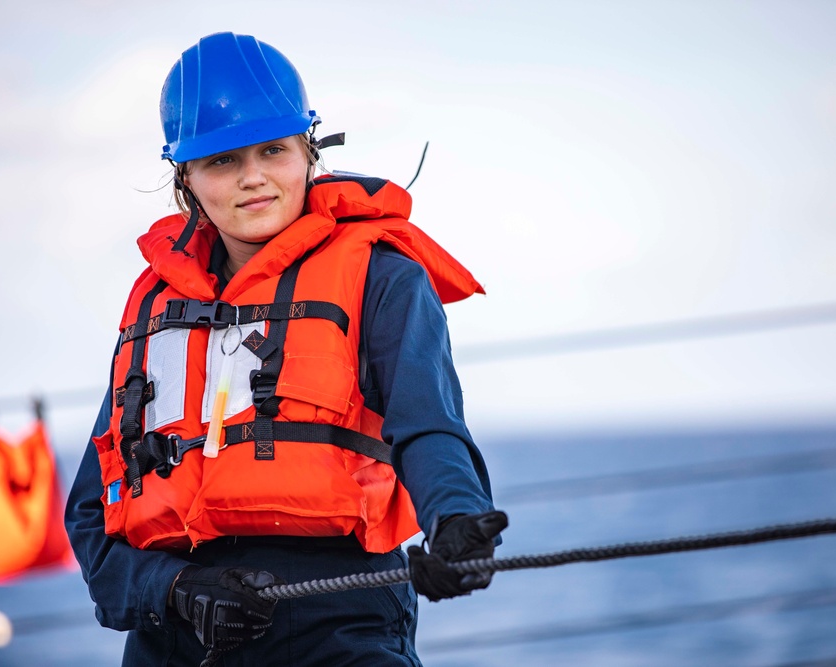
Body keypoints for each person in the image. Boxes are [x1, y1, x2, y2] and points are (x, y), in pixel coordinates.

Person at [65, 31, 506, 666]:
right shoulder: (156, 307)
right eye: (221, 160)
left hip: (337, 619)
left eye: (273, 150)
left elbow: (429, 424)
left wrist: (456, 522)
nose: (253, 180)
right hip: (177, 628)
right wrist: (173, 589)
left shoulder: (381, 278)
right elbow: (91, 513)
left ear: (308, 152)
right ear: (184, 177)